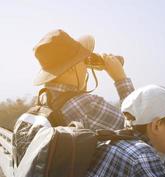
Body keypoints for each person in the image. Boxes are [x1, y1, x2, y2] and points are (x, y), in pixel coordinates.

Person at [12, 29, 134, 166]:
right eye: (83, 62)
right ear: (71, 68)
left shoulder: (42, 100)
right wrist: (120, 79)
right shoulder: (85, 105)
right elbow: (138, 132)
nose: (86, 68)